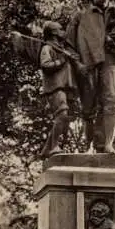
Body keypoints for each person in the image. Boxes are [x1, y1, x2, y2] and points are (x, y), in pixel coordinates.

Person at [66, 0, 115, 154]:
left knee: (112, 102)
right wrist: (77, 63)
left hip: (111, 61)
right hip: (87, 64)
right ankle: (90, 145)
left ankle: (108, 144)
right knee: (88, 108)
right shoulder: (81, 16)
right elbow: (68, 43)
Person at [39, 21, 77, 158]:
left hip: (66, 87)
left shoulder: (61, 48)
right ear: (54, 32)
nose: (63, 31)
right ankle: (53, 146)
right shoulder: (47, 48)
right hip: (55, 87)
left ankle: (46, 149)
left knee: (65, 119)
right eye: (60, 29)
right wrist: (61, 61)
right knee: (61, 115)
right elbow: (45, 65)